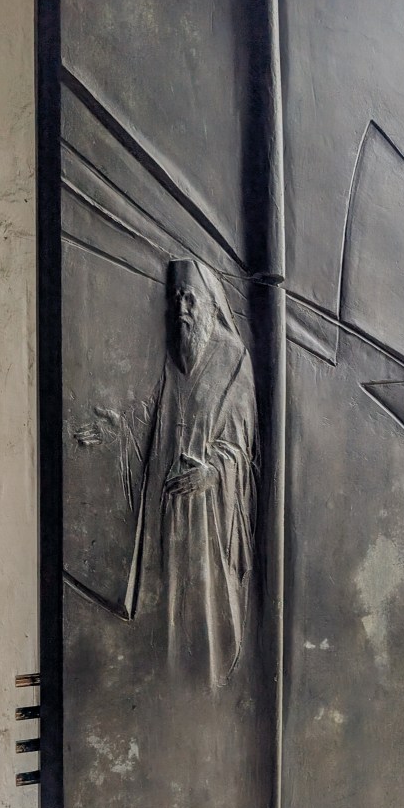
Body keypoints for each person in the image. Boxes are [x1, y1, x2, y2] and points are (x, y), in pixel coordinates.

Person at [76, 258, 257, 688]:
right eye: (175, 300)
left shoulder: (233, 362)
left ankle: (209, 683)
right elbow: (156, 419)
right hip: (169, 513)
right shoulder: (176, 358)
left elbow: (244, 448)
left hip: (209, 517)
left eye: (189, 299)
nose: (181, 310)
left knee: (207, 606)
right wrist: (115, 428)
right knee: (171, 602)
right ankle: (172, 685)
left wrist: (213, 473)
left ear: (210, 304)